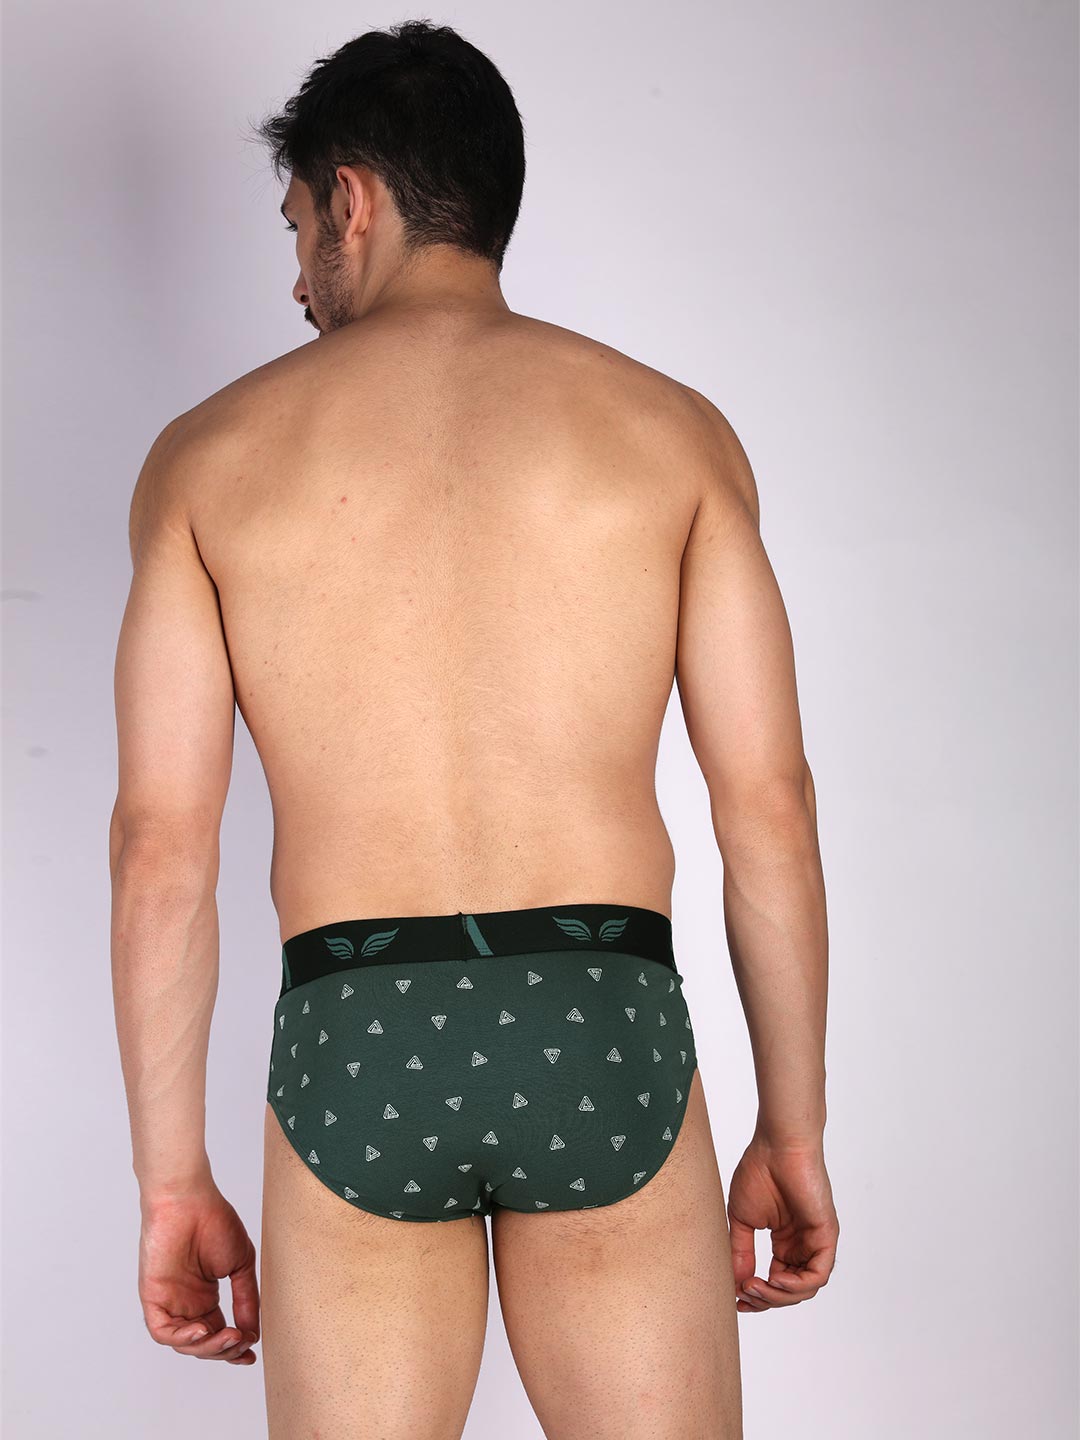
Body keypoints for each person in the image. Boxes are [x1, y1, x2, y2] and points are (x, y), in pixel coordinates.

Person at [109, 18, 838, 1439]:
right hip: (601, 1017)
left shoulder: (206, 460)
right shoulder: (675, 434)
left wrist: (170, 1180)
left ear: (354, 201)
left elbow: (160, 847)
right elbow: (772, 810)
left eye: (297, 227)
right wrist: (793, 1128)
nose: (297, 279)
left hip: (358, 1029)